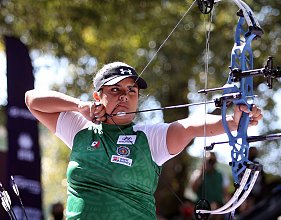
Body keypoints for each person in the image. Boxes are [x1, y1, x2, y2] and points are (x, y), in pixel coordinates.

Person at [25, 61, 263, 219]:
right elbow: (32, 100)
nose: (125, 97)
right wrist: (79, 106)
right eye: (115, 90)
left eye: (132, 91)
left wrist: (233, 122)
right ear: (98, 96)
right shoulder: (80, 130)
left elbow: (190, 127)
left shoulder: (148, 138)